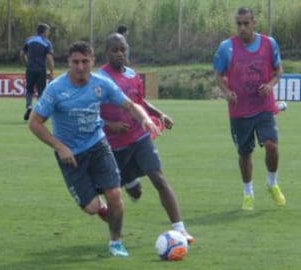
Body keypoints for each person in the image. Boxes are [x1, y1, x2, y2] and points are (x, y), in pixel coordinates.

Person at [28, 40, 159, 257]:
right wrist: (60, 147)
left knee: (115, 194)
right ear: (69, 62)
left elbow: (129, 104)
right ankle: (105, 211)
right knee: (91, 207)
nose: (80, 67)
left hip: (98, 145)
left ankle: (115, 242)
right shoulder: (56, 89)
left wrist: (145, 119)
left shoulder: (101, 83)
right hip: (70, 155)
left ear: (92, 62)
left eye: (84, 61)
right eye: (75, 62)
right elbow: (34, 123)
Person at [97, 33, 195, 244]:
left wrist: (159, 114)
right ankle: (129, 183)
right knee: (129, 192)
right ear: (106, 53)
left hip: (139, 137)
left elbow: (139, 102)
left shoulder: (133, 75)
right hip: (113, 146)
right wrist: (110, 125)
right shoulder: (99, 79)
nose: (120, 54)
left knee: (158, 178)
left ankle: (181, 229)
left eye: (123, 49)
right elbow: (89, 111)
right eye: (115, 50)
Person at [213, 7, 286, 211]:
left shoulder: (269, 44)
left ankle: (272, 183)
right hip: (239, 110)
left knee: (272, 145)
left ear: (254, 23)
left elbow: (278, 70)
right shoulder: (226, 48)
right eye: (239, 24)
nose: (242, 28)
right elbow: (218, 75)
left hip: (264, 106)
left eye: (246, 23)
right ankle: (248, 193)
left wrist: (270, 86)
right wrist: (227, 92)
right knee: (245, 154)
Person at [21, 23, 54, 121]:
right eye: (48, 31)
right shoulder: (46, 42)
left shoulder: (29, 40)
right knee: (41, 92)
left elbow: (22, 53)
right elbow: (49, 58)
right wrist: (51, 71)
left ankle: (29, 106)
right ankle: (38, 112)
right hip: (40, 69)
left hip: (30, 69)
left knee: (29, 89)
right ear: (44, 32)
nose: (48, 33)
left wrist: (26, 63)